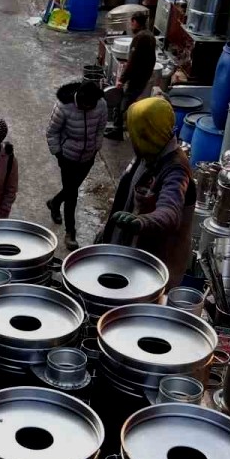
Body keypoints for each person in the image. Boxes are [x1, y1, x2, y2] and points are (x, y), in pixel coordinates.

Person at [96, 98, 196, 289]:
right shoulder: (149, 155)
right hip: (129, 257)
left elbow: (170, 212)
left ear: (147, 134)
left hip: (152, 271)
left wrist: (142, 221)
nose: (131, 140)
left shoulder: (176, 171)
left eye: (135, 134)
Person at [46, 80, 109, 249]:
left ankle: (55, 202)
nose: (88, 108)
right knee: (72, 194)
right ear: (78, 98)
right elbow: (52, 132)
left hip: (88, 157)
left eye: (91, 106)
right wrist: (58, 154)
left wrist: (96, 147)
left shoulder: (101, 104)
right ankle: (70, 233)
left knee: (70, 189)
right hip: (67, 156)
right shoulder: (63, 106)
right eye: (84, 105)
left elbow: (101, 128)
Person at [105, 30, 156, 141]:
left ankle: (118, 131)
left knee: (122, 105)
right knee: (127, 103)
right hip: (143, 79)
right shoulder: (150, 38)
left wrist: (122, 80)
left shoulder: (140, 38)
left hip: (135, 80)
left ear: (135, 22)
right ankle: (119, 128)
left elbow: (132, 63)